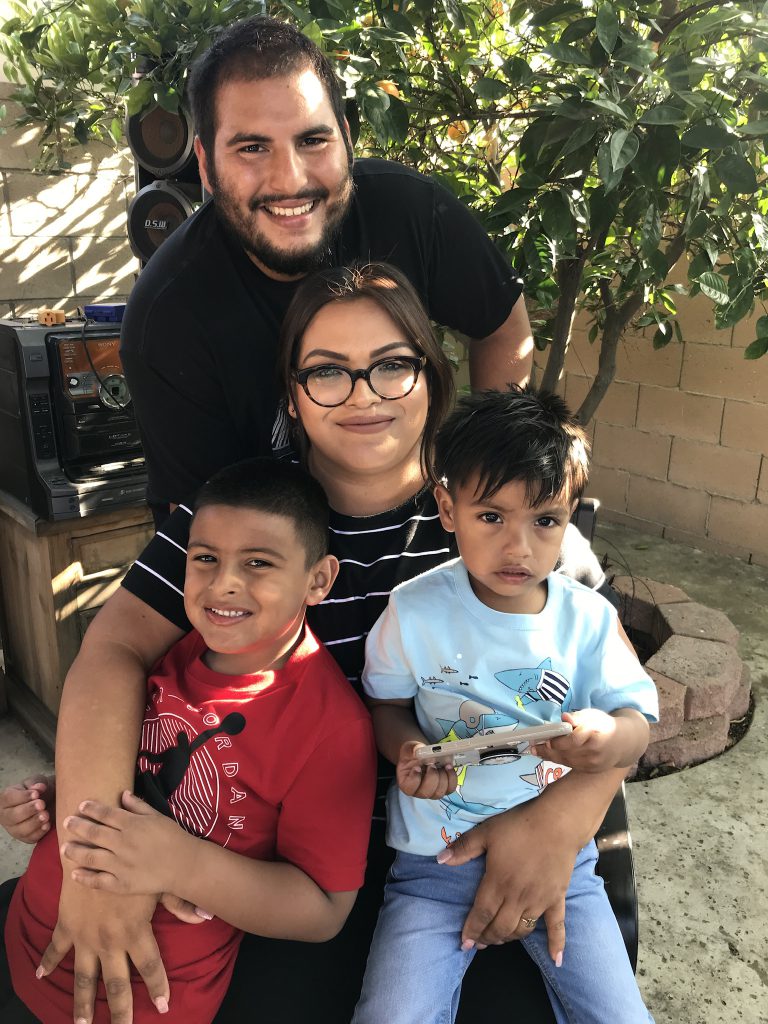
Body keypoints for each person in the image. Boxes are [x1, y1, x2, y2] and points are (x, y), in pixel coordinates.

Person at [2, 264, 627, 1024]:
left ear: (433, 377)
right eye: (328, 371)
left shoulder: (501, 516)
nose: (363, 394)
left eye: (393, 366)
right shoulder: (246, 515)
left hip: (465, 840)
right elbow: (111, 654)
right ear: (292, 396)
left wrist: (559, 821)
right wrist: (93, 856)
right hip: (275, 854)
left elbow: (614, 689)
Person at [1, 458, 376, 1024]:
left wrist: (180, 864)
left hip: (154, 999)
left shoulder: (330, 726)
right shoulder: (157, 660)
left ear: (318, 580)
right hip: (30, 945)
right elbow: (144, 776)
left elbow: (322, 909)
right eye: (205, 559)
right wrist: (53, 799)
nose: (224, 582)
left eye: (258, 563)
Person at [120, 14, 534, 522]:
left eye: (312, 141)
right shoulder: (169, 316)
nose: (290, 180)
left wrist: (482, 483)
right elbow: (208, 527)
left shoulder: (412, 212)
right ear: (205, 164)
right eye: (251, 148)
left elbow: (503, 329)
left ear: (345, 137)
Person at [352, 388, 658, 1024]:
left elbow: (638, 723)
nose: (518, 546)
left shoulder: (588, 621)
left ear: (569, 517)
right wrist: (407, 750)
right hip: (432, 869)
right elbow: (385, 706)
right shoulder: (413, 611)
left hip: (564, 870)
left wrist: (605, 738)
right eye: (491, 516)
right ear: (447, 507)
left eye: (544, 520)